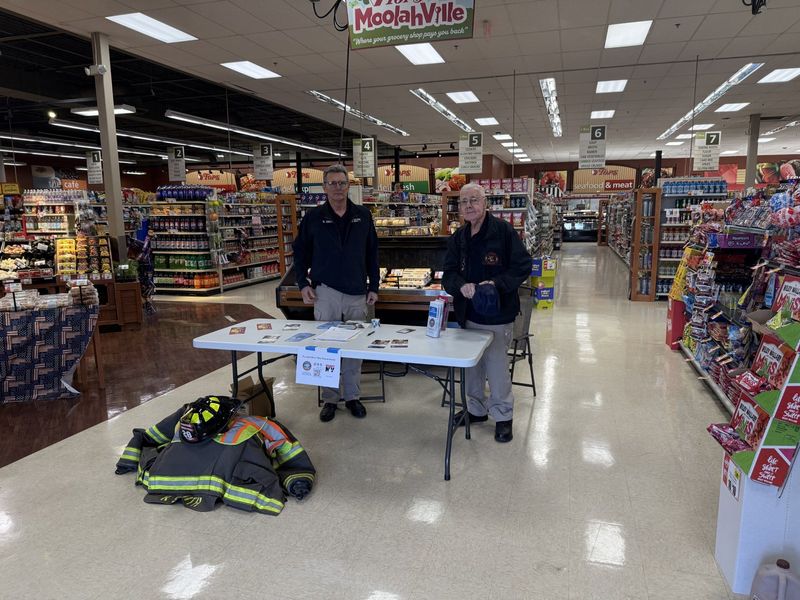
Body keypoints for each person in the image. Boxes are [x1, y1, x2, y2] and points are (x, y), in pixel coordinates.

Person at [442, 183, 532, 443]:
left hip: (497, 314)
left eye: (474, 200)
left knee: (496, 367)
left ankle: (503, 416)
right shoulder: (459, 238)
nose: (468, 206)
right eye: (463, 202)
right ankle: (476, 410)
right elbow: (448, 274)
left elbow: (523, 265)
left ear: (485, 203)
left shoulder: (503, 231)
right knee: (472, 367)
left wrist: (496, 284)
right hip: (468, 313)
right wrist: (461, 286)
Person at [292, 164, 380, 422]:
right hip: (325, 292)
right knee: (325, 348)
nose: (338, 188)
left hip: (356, 292)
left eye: (342, 183)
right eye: (332, 183)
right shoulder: (314, 217)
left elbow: (372, 252)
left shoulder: (363, 215)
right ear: (324, 187)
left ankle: (352, 397)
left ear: (348, 185)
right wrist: (303, 283)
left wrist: (374, 285)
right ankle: (330, 398)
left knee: (354, 348)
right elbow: (300, 252)